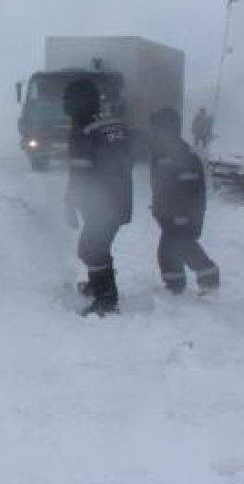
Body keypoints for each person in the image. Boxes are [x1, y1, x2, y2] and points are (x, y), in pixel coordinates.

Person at [62, 78, 133, 316]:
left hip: (102, 204)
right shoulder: (112, 124)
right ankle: (97, 284)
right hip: (120, 198)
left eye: (68, 100)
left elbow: (79, 174)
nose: (65, 105)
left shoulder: (83, 130)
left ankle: (107, 300)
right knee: (96, 247)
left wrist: (69, 204)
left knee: (91, 249)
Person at [148, 107, 220, 294]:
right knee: (175, 247)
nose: (152, 132)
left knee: (179, 247)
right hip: (170, 213)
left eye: (155, 127)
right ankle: (179, 284)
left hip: (183, 214)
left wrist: (182, 215)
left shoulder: (181, 154)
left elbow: (191, 187)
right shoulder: (162, 151)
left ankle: (204, 280)